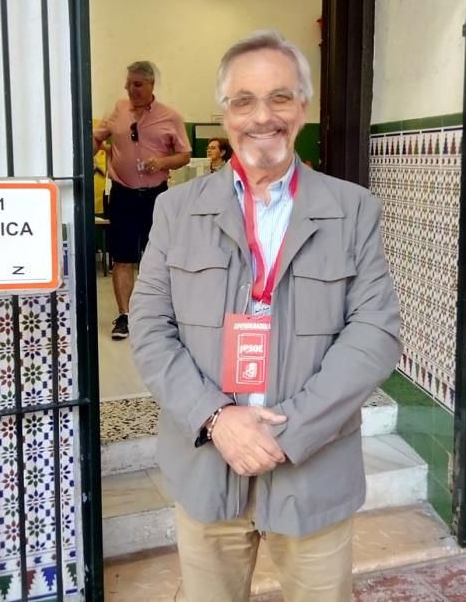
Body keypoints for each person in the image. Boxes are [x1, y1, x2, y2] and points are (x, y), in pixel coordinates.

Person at [130, 31, 401, 601]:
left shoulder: (352, 210)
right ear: (224, 113)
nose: (263, 117)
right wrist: (217, 419)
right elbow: (151, 330)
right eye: (243, 100)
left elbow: (373, 334)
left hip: (312, 469)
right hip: (206, 464)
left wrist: (288, 432)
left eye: (280, 97)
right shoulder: (177, 210)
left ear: (302, 106)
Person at [93, 61, 191, 340]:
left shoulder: (170, 117)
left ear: (151, 85)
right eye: (128, 83)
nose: (130, 89)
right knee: (123, 257)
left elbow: (184, 154)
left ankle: (161, 315)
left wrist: (162, 161)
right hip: (122, 194)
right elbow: (97, 139)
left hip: (155, 196)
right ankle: (125, 316)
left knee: (158, 257)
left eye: (137, 84)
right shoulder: (118, 109)